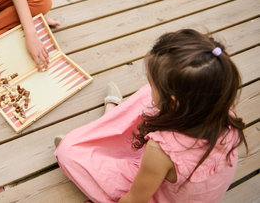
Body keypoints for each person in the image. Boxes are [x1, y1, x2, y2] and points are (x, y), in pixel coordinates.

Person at [54, 29, 247, 202]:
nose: (150, 84)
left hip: (155, 185)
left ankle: (105, 124)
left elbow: (134, 200)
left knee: (68, 150)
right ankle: (107, 124)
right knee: (148, 95)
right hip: (174, 169)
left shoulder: (160, 151)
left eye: (152, 82)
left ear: (173, 102)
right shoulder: (221, 109)